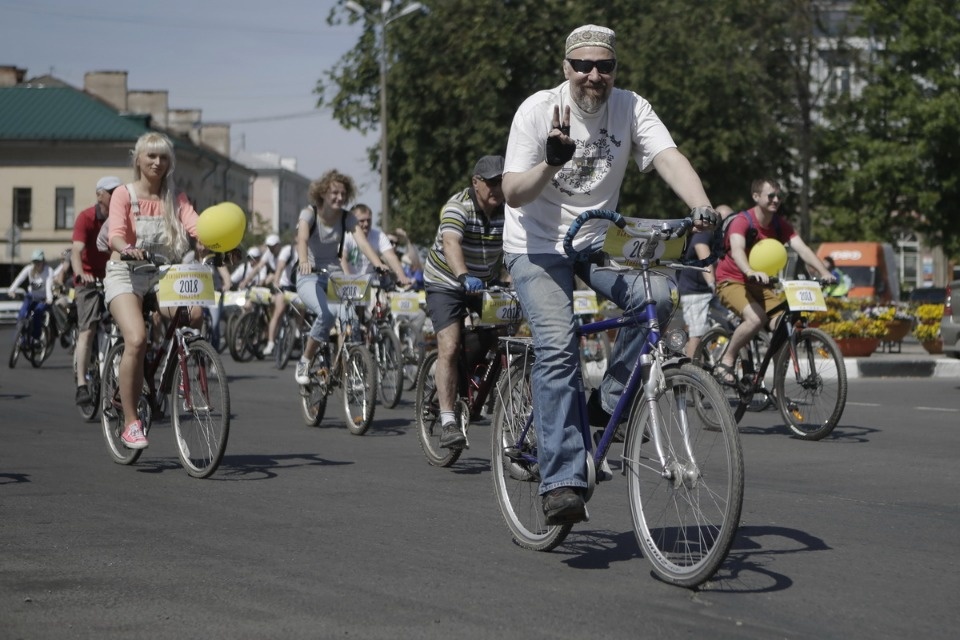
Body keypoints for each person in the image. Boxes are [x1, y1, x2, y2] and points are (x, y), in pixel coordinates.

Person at [500, 24, 718, 525]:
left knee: (658, 298)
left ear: (615, 69)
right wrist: (551, 165)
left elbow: (668, 156)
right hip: (535, 243)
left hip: (596, 237)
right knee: (558, 346)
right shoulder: (538, 110)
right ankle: (561, 482)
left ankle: (605, 406)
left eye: (604, 66)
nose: (593, 75)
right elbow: (512, 192)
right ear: (566, 68)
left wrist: (702, 204)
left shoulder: (631, 107)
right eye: (583, 65)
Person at [104, 131, 201, 449]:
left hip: (161, 274)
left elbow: (197, 227)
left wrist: (219, 245)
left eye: (163, 157)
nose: (158, 162)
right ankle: (131, 422)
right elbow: (116, 234)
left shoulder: (177, 198)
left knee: (195, 313)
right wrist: (127, 248)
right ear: (138, 160)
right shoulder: (124, 194)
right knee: (137, 338)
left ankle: (171, 375)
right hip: (125, 273)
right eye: (151, 156)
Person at [714, 178, 835, 384]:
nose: (776, 200)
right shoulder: (742, 221)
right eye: (771, 195)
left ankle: (778, 387)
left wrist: (824, 272)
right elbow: (736, 250)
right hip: (731, 280)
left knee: (784, 324)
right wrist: (749, 270)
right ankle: (727, 358)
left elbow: (803, 249)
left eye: (779, 196)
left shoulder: (780, 224)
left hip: (760, 283)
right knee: (755, 318)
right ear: (756, 197)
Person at [293, 170, 408, 385]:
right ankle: (305, 360)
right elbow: (302, 238)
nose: (339, 198)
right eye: (334, 193)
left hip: (334, 275)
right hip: (309, 274)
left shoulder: (347, 217)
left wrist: (378, 264)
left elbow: (363, 243)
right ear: (323, 193)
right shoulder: (310, 213)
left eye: (343, 194)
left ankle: (351, 369)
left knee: (351, 319)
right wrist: (303, 261)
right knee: (326, 315)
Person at [423, 155, 507, 449]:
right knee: (450, 345)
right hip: (446, 282)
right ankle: (447, 421)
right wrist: (462, 275)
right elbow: (450, 242)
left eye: (502, 181)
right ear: (476, 182)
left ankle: (465, 384)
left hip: (484, 283)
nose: (498, 188)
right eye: (492, 182)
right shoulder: (458, 206)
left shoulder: (509, 210)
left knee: (499, 338)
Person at [71, 176, 121, 405]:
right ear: (99, 195)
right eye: (112, 191)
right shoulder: (86, 218)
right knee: (88, 330)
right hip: (88, 280)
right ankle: (82, 383)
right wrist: (81, 273)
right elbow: (76, 251)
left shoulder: (120, 217)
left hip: (112, 275)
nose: (116, 195)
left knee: (125, 326)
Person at [678, 204, 734, 358]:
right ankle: (690, 374)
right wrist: (712, 283)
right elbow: (705, 257)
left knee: (733, 320)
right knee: (697, 332)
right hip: (695, 290)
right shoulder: (707, 232)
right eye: (726, 220)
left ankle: (718, 358)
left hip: (711, 288)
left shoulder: (725, 236)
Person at [341, 204, 407, 281]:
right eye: (362, 221)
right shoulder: (345, 235)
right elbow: (342, 258)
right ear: (352, 221)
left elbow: (391, 257)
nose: (366, 224)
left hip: (371, 283)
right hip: (349, 282)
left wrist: (402, 277)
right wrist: (348, 279)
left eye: (368, 220)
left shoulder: (379, 236)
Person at [8, 249, 55, 346]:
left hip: (43, 299)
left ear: (43, 261)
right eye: (35, 262)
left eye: (39, 261)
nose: (37, 264)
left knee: (37, 314)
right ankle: (21, 335)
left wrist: (49, 298)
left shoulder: (48, 270)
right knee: (23, 312)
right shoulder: (29, 269)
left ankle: (36, 338)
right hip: (32, 296)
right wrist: (12, 290)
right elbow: (19, 279)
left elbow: (48, 285)